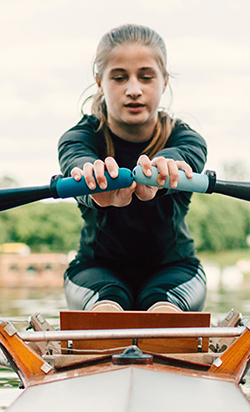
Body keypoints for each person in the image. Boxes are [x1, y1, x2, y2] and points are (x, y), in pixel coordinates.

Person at [58, 23, 208, 313]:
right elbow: (75, 161)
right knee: (108, 308)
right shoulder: (78, 138)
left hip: (174, 270)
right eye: (119, 78)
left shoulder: (186, 139)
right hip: (96, 271)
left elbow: (185, 155)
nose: (134, 90)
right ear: (99, 82)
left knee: (161, 308)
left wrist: (164, 169)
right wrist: (92, 181)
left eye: (146, 77)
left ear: (164, 81)